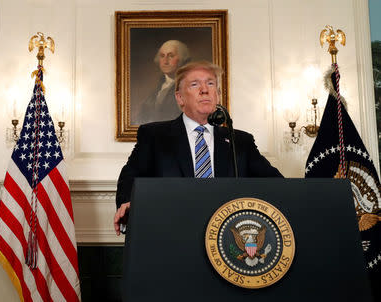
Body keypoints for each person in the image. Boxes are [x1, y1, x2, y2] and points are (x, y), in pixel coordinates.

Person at [114, 61, 282, 235]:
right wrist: (127, 203)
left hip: (226, 237)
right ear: (180, 98)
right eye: (195, 85)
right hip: (172, 233)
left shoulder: (239, 141)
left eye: (210, 83)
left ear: (217, 95)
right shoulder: (155, 136)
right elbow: (130, 175)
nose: (204, 90)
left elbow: (276, 184)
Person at [133, 40, 191, 124]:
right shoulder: (158, 87)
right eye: (162, 56)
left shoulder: (188, 86)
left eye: (171, 56)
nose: (165, 61)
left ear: (181, 59)